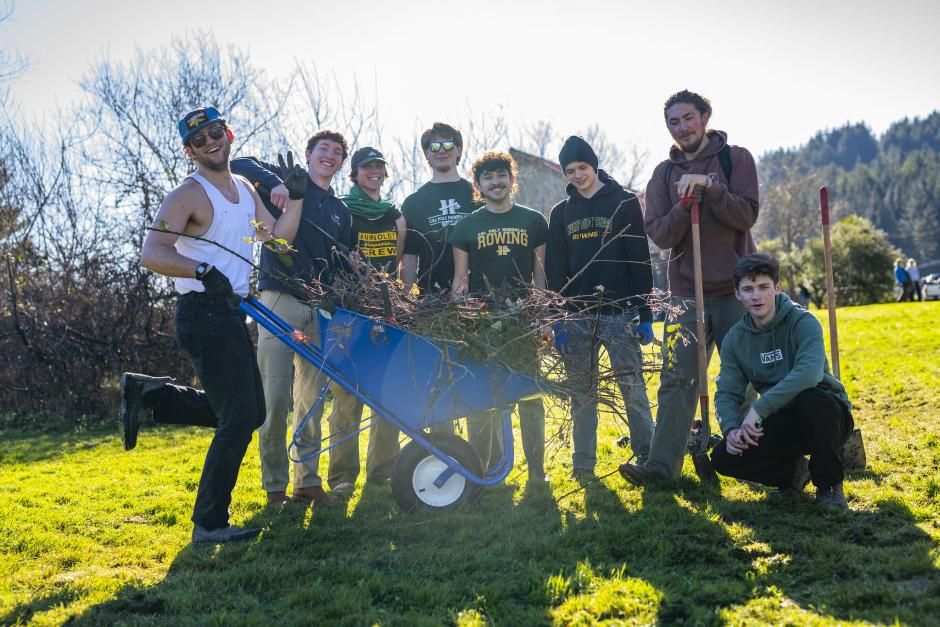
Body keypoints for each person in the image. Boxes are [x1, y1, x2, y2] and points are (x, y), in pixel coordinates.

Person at [119, 106, 305, 543]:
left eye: (215, 132)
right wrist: (201, 271)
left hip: (229, 313)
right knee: (241, 416)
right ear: (190, 151)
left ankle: (153, 395)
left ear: (229, 133)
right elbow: (152, 252)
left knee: (250, 412)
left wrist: (296, 198)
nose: (210, 142)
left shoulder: (243, 186)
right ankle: (209, 523)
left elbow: (277, 239)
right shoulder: (188, 195)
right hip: (202, 313)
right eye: (199, 140)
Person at [620, 90, 759, 486]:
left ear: (705, 116)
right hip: (685, 295)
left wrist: (712, 191)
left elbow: (746, 215)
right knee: (677, 380)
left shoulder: (736, 159)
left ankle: (756, 461)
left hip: (735, 290)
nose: (681, 127)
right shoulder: (664, 174)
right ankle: (662, 468)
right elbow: (660, 234)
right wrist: (684, 205)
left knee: (745, 375)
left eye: (687, 118)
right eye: (673, 122)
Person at [230, 131, 354, 507]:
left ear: (340, 163)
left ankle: (307, 483)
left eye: (337, 152)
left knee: (310, 402)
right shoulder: (285, 183)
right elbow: (237, 165)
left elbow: (339, 262)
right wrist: (276, 183)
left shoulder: (341, 210)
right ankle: (274, 489)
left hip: (318, 309)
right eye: (323, 149)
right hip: (279, 299)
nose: (329, 156)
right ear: (309, 154)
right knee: (275, 398)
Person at [545, 135, 656, 481]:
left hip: (620, 312)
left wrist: (646, 312)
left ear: (594, 165)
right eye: (570, 170)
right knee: (582, 393)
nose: (577, 175)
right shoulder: (561, 213)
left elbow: (639, 258)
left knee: (632, 388)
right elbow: (555, 269)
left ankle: (647, 457)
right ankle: (583, 465)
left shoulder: (624, 202)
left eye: (582, 167)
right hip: (577, 316)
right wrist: (558, 317)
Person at [709, 254, 854, 508]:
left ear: (777, 288)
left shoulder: (804, 322)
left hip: (829, 416)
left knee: (813, 400)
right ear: (737, 294)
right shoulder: (735, 339)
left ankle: (829, 486)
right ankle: (794, 473)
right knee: (723, 458)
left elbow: (810, 374)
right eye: (748, 289)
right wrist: (731, 429)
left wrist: (758, 408)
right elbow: (727, 393)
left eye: (764, 287)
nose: (756, 296)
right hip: (783, 419)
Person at [450, 151, 548, 483]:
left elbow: (540, 274)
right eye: (488, 177)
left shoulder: (533, 221)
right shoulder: (467, 225)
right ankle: (486, 467)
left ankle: (537, 471)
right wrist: (462, 314)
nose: (496, 182)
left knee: (530, 395)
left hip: (522, 318)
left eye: (501, 175)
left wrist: (541, 315)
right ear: (477, 185)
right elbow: (460, 278)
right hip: (483, 320)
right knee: (483, 396)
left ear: (512, 179)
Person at [326, 147, 405, 493]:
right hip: (349, 311)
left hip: (388, 310)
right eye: (366, 167)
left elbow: (399, 262)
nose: (374, 172)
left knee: (388, 391)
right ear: (355, 174)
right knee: (347, 395)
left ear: (385, 174)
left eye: (379, 167)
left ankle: (383, 471)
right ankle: (342, 476)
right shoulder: (343, 210)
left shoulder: (395, 215)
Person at [401, 122, 477, 295]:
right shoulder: (413, 203)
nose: (441, 150)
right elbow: (410, 256)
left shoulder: (478, 195)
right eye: (434, 146)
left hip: (478, 297)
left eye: (448, 144)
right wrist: (405, 297)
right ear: (427, 154)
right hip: (431, 298)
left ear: (458, 150)